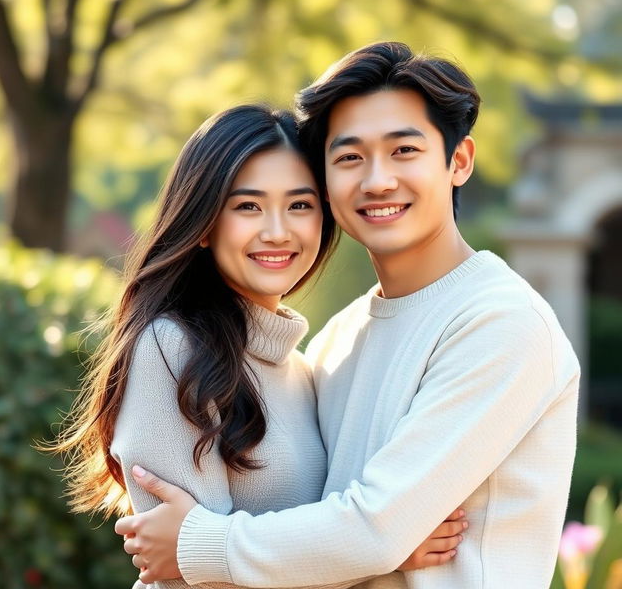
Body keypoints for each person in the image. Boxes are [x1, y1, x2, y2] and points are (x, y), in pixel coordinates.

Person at [115, 43, 580, 589]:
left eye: (404, 150)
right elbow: (355, 531)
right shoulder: (334, 342)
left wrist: (202, 545)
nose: (377, 180)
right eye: (350, 157)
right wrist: (379, 549)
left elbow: (372, 527)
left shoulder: (502, 323)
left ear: (459, 161)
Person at [52, 103, 467, 589]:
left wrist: (372, 545)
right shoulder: (172, 348)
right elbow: (197, 575)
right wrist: (381, 555)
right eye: (247, 206)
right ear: (205, 222)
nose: (277, 231)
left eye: (299, 205)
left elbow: (272, 540)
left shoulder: (301, 370)